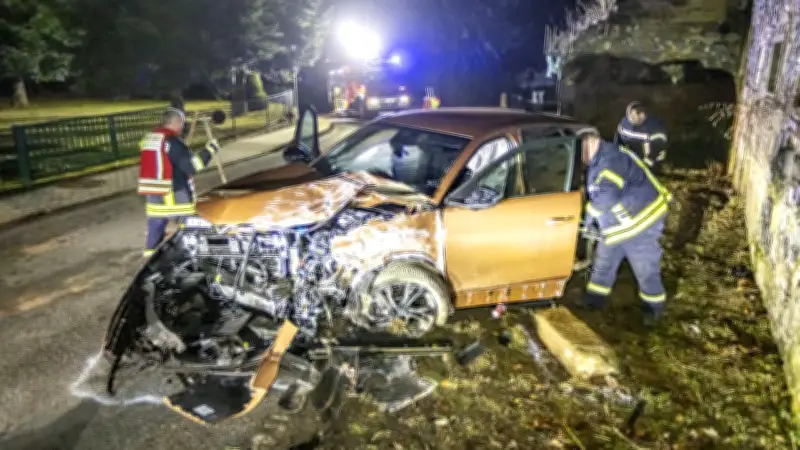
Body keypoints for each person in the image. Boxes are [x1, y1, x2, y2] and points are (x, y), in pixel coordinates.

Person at [579, 132, 673, 326]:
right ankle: (595, 300)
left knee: (644, 267)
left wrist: (589, 215)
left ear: (591, 142)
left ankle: (653, 309)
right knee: (604, 263)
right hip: (619, 226)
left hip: (641, 222)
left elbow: (607, 197)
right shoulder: (600, 159)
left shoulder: (610, 160)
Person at [137, 107, 220, 257]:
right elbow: (192, 166)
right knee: (191, 229)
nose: (183, 126)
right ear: (176, 122)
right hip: (175, 197)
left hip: (154, 197)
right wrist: (209, 150)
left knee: (154, 235)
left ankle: (150, 262)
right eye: (182, 123)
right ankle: (193, 258)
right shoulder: (173, 143)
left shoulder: (148, 140)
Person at [614, 101, 669, 173]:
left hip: (651, 157)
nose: (633, 118)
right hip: (631, 156)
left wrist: (652, 161)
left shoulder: (655, 126)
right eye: (631, 115)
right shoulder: (625, 124)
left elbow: (660, 143)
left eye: (639, 113)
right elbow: (620, 138)